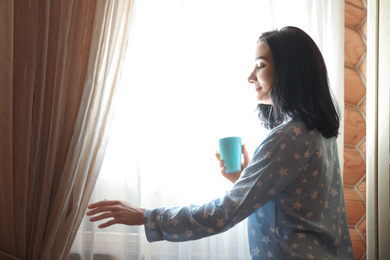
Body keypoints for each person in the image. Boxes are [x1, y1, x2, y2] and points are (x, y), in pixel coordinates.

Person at [86, 26, 355, 259]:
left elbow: (222, 214)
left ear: (289, 71)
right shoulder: (318, 133)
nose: (251, 76)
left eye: (260, 65)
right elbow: (301, 213)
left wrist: (146, 216)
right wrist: (243, 181)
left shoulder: (287, 138)